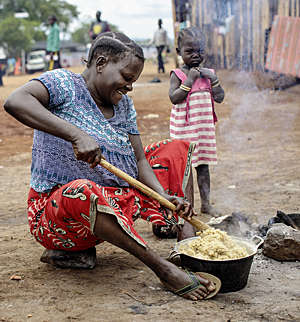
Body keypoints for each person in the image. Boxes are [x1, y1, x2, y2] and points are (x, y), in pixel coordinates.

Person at [4, 31, 219, 301]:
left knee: (174, 150)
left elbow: (140, 161)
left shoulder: (124, 106)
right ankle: (163, 269)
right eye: (127, 78)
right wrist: (76, 135)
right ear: (101, 63)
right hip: (59, 217)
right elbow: (15, 101)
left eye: (134, 81)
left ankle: (187, 248)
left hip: (114, 207)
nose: (129, 87)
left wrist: (164, 197)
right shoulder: (64, 84)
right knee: (83, 190)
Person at [169, 27, 225, 217]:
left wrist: (214, 79)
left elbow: (219, 98)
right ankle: (188, 204)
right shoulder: (177, 74)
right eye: (189, 51)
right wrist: (190, 80)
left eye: (200, 51)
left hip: (202, 131)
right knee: (185, 169)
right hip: (183, 130)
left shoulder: (209, 74)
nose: (195, 55)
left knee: (203, 166)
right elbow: (174, 98)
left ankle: (206, 204)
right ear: (179, 52)